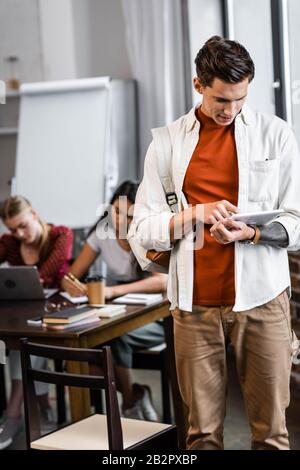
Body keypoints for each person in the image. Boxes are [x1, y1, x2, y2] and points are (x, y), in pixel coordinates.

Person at [129, 36, 300, 450]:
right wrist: (194, 214)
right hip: (193, 307)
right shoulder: (167, 144)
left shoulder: (275, 135)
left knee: (272, 434)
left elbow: (296, 221)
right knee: (202, 436)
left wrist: (254, 233)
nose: (231, 110)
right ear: (197, 84)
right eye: (222, 100)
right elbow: (141, 229)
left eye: (240, 99)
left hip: (263, 300)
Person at [61, 181, 167, 421]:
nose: (120, 220)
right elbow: (71, 275)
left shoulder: (147, 233)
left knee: (114, 336)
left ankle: (129, 403)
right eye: (116, 211)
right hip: (118, 312)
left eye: (129, 215)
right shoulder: (103, 232)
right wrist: (70, 284)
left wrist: (112, 292)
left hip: (155, 317)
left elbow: (162, 281)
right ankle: (134, 396)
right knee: (85, 351)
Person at [0, 196, 73, 449]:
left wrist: (28, 280)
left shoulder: (59, 236)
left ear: (33, 213)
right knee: (20, 340)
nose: (19, 234)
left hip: (59, 315)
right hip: (24, 315)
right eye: (12, 229)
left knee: (27, 341)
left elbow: (46, 274)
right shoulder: (9, 243)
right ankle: (43, 410)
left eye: (22, 225)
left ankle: (13, 414)